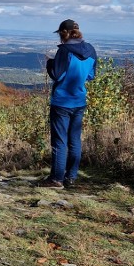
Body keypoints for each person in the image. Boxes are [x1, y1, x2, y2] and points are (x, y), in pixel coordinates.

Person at [38, 19, 97, 189]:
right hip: (79, 100)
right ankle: (71, 177)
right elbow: (91, 75)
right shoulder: (90, 50)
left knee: (59, 141)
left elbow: (57, 74)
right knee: (75, 140)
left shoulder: (65, 51)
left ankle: (56, 179)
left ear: (64, 33)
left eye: (60, 34)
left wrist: (50, 63)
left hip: (62, 101)